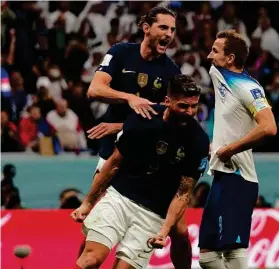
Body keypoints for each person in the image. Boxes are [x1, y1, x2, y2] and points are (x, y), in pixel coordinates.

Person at [85, 6, 193, 269]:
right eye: (163, 28)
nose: (169, 34)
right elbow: (95, 89)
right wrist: (129, 98)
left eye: (173, 30)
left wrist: (120, 124)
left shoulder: (171, 71)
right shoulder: (121, 53)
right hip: (112, 153)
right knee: (94, 229)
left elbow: (170, 117)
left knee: (179, 227)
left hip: (147, 158)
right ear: (146, 28)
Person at [71, 75, 209, 269]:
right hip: (119, 199)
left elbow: (183, 193)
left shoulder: (199, 141)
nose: (190, 112)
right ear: (167, 101)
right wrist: (88, 203)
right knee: (90, 260)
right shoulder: (143, 118)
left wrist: (164, 231)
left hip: (152, 214)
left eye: (194, 106)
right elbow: (114, 164)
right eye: (183, 106)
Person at [198, 30, 277, 269]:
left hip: (239, 178)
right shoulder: (217, 73)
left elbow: (269, 127)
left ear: (230, 58)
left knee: (233, 251)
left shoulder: (248, 88)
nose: (210, 57)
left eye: (215, 51)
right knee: (207, 256)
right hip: (222, 177)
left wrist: (230, 149)